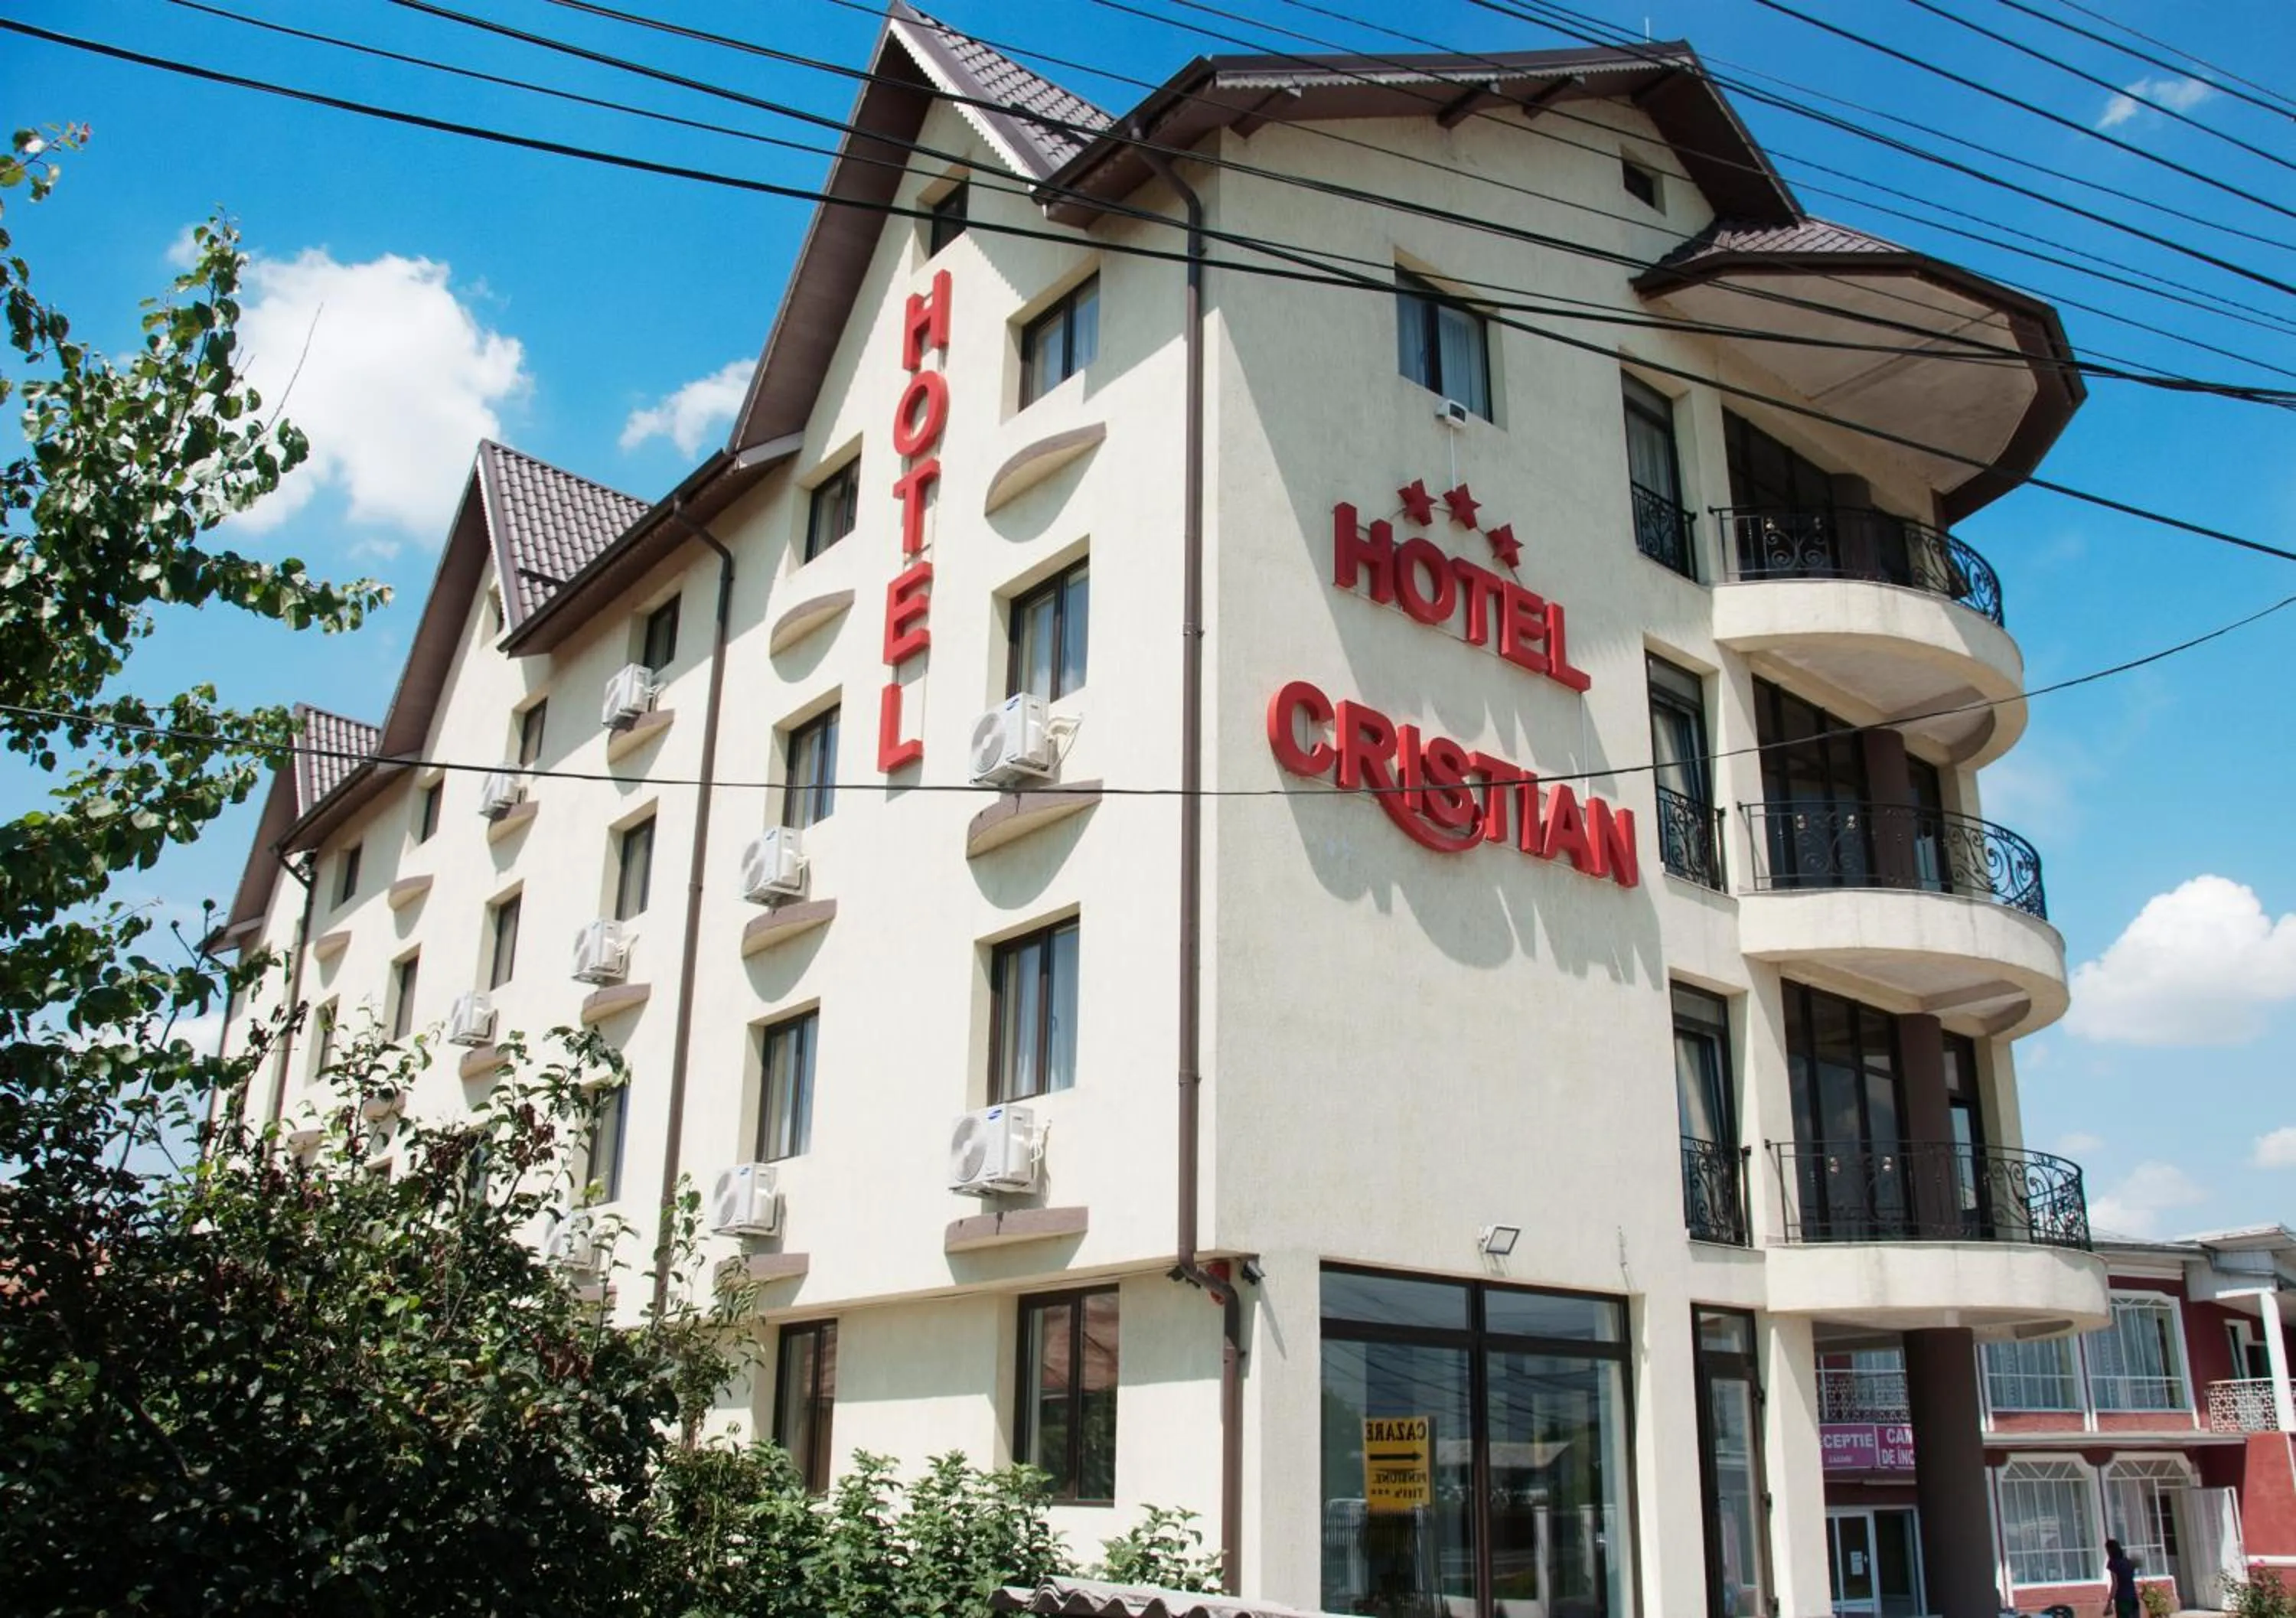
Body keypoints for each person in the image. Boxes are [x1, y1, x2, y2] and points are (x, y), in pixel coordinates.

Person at [2103, 1537, 2141, 1618]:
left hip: (2122, 1598)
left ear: (2110, 1550)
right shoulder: (2127, 1561)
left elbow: (2115, 1584)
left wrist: (2109, 1603)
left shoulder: (2113, 1563)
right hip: (2133, 1597)